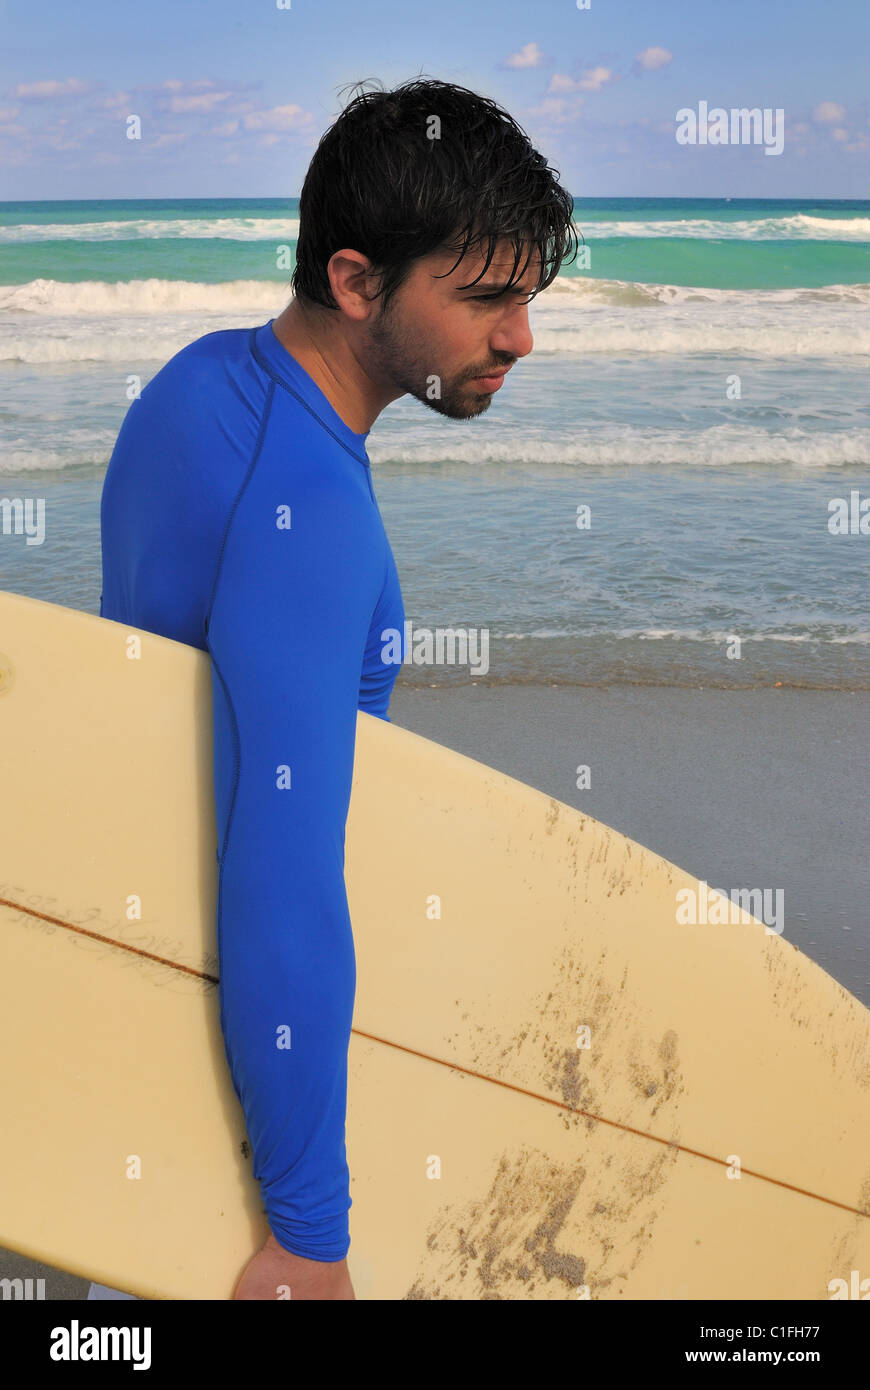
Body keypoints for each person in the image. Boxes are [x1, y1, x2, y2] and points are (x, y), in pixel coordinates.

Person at [95, 74, 577, 1301]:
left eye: (527, 296)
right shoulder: (306, 512)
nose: (520, 337)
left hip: (120, 1021)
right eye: (485, 299)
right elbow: (280, 871)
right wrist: (307, 1232)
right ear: (360, 283)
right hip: (225, 1115)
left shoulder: (203, 383)